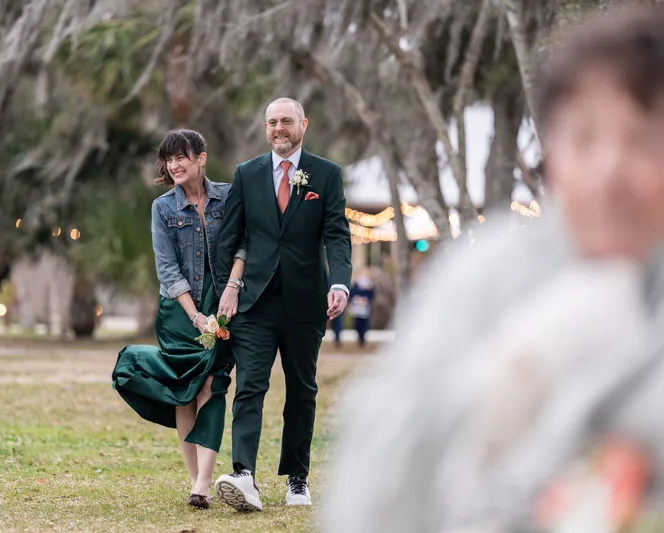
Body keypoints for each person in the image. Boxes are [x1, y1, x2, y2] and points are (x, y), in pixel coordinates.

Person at [323, 7, 664, 532]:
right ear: (550, 155)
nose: (609, 171)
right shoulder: (483, 274)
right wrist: (509, 372)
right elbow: (368, 488)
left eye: (641, 138)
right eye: (584, 138)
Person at [212, 97, 353, 511]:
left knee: (302, 391)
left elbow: (337, 235)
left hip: (306, 303)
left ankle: (297, 479)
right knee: (249, 387)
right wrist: (230, 287)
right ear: (265, 128)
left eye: (286, 121)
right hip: (254, 303)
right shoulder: (247, 174)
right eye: (272, 122)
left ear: (303, 125)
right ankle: (243, 476)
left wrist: (340, 284)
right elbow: (230, 239)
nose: (279, 129)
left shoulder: (325, 175)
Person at [111, 130, 246, 510]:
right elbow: (167, 270)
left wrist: (232, 288)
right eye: (168, 160)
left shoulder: (229, 196)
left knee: (212, 386)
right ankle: (195, 481)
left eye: (181, 157)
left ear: (201, 157)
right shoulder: (162, 208)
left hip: (224, 304)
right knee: (184, 394)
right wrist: (196, 316)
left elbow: (243, 244)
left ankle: (204, 480)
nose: (174, 165)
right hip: (179, 311)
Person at [348, 268, 375, 347]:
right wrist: (356, 299)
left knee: (364, 323)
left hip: (365, 307)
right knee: (357, 323)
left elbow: (372, 295)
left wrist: (366, 299)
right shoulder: (355, 284)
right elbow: (351, 294)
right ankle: (359, 336)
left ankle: (363, 338)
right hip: (357, 306)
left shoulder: (369, 285)